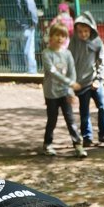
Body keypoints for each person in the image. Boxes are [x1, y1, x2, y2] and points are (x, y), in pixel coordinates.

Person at [69, 12, 104, 147]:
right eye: (80, 32)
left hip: (95, 81)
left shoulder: (96, 41)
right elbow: (69, 62)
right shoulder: (74, 43)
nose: (83, 34)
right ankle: (87, 137)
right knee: (84, 111)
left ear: (91, 30)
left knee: (102, 107)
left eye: (86, 31)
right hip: (81, 83)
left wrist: (99, 79)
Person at [41, 21, 83, 157]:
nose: (60, 38)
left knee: (70, 119)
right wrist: (70, 83)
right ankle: (47, 144)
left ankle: (78, 145)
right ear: (51, 37)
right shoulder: (46, 54)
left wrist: (70, 91)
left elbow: (72, 72)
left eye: (63, 36)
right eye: (57, 35)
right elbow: (52, 72)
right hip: (51, 93)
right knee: (52, 119)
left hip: (65, 92)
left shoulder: (67, 54)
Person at [1, 0, 40, 73]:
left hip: (11, 26)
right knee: (27, 50)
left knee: (13, 51)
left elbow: (2, 9)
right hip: (25, 26)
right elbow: (30, 7)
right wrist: (34, 22)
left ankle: (16, 73)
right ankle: (31, 74)